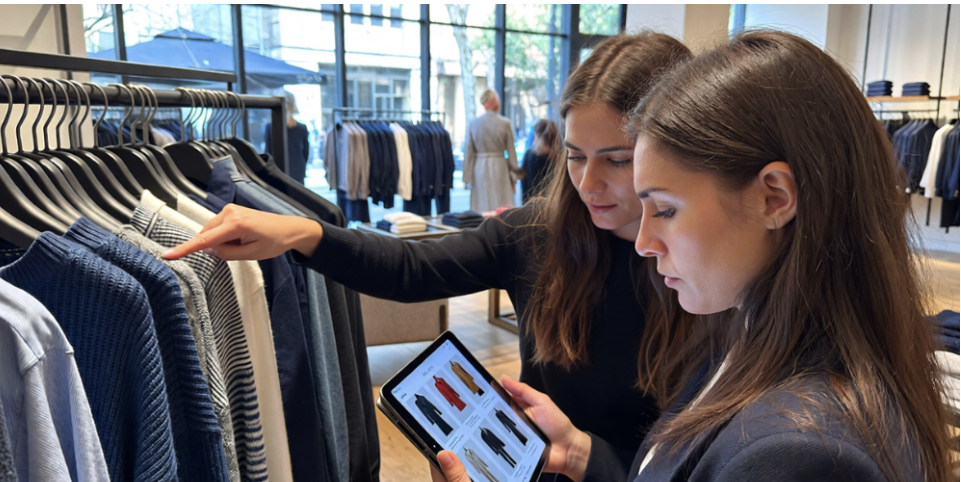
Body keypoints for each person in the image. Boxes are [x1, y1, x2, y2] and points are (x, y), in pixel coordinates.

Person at [162, 31, 695, 481]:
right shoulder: (536, 235)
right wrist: (305, 234)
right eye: (575, 156)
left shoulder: (713, 278)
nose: (589, 183)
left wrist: (585, 457)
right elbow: (412, 268)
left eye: (618, 161)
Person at [434, 30, 953, 482]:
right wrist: (575, 452)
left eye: (664, 209)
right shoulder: (749, 339)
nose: (643, 243)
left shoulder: (798, 453)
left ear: (773, 197)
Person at [463, 89, 520, 212]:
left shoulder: (473, 123)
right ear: (495, 102)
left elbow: (468, 152)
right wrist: (514, 177)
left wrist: (467, 178)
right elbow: (511, 152)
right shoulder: (505, 123)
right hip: (499, 166)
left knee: (480, 205)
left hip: (479, 167)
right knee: (501, 205)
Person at [265, 91, 310, 184]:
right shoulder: (302, 128)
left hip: (277, 172)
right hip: (298, 172)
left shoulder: (270, 127)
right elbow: (305, 154)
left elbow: (268, 153)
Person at [521, 119, 559, 203]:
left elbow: (525, 182)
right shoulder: (559, 155)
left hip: (533, 204)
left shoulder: (530, 154)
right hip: (554, 203)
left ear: (537, 135)